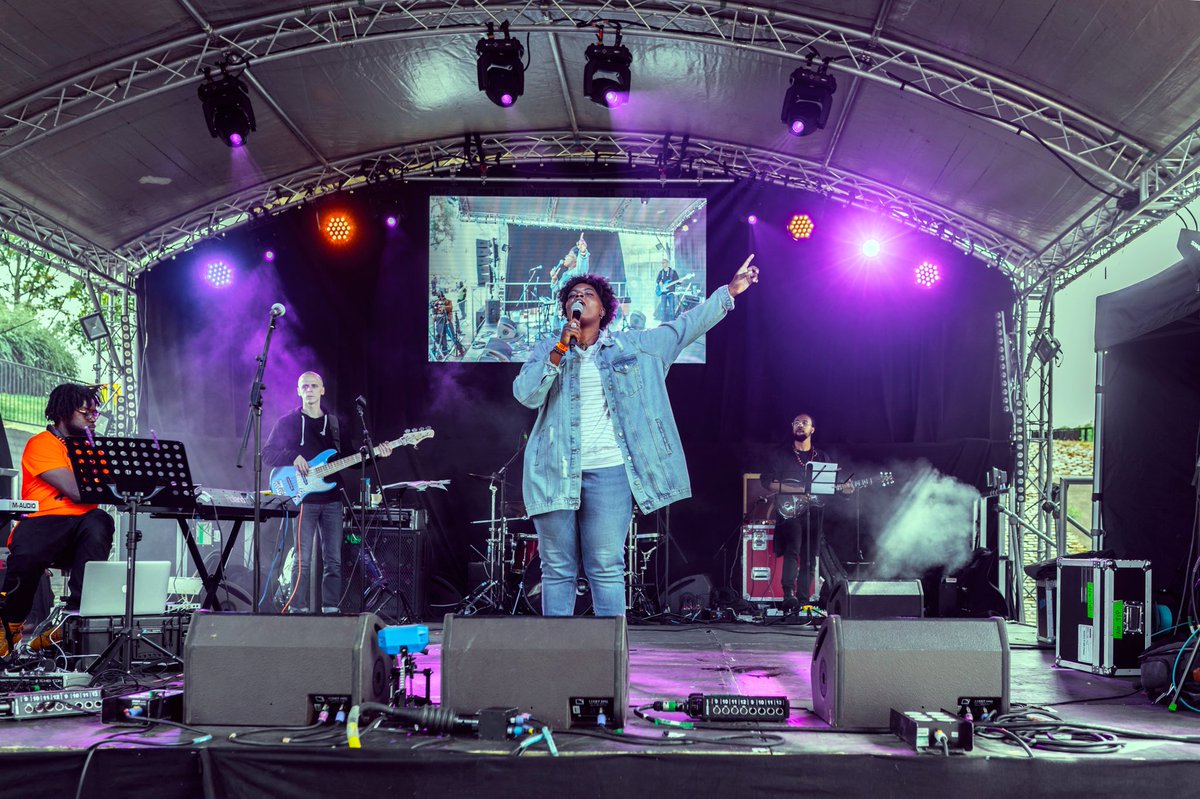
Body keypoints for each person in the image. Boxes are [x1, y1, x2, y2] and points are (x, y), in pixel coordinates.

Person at [514, 254, 760, 617]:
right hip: (553, 469)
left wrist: (730, 292)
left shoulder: (636, 346)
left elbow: (685, 326)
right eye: (572, 296)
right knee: (557, 569)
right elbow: (527, 394)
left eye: (587, 294)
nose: (578, 299)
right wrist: (558, 352)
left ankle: (610, 659)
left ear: (604, 308)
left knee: (605, 566)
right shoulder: (549, 349)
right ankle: (559, 661)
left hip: (610, 471)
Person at [1, 384, 115, 658]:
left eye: (95, 411)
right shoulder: (41, 443)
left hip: (82, 528)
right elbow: (77, 491)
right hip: (44, 523)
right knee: (30, 550)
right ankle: (8, 628)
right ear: (64, 411)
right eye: (85, 410)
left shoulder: (92, 448)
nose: (92, 416)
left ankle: (71, 622)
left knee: (100, 520)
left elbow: (109, 488)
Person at [263, 372, 392, 613]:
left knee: (333, 559)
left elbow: (349, 460)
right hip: (303, 500)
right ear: (298, 391)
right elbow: (268, 454)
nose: (309, 390)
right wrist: (293, 456)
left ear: (322, 390)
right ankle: (297, 608)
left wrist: (377, 455)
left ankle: (330, 608)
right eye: (305, 386)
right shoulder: (287, 422)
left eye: (314, 386)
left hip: (332, 499)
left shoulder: (334, 424)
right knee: (302, 560)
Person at [761, 414, 853, 611]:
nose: (799, 425)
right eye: (796, 422)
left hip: (815, 512)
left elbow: (831, 488)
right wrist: (798, 491)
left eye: (804, 423)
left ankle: (803, 600)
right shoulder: (781, 455)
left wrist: (845, 492)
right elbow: (767, 482)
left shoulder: (822, 458)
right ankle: (788, 596)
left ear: (812, 430)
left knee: (810, 556)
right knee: (792, 550)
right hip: (790, 511)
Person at [655, 257, 681, 323]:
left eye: (664, 262)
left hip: (671, 293)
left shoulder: (673, 272)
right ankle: (662, 323)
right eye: (662, 263)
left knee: (671, 309)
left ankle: (671, 323)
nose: (662, 264)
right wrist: (659, 282)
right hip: (663, 293)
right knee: (662, 309)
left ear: (667, 263)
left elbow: (677, 281)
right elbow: (657, 280)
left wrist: (680, 281)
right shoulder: (661, 272)